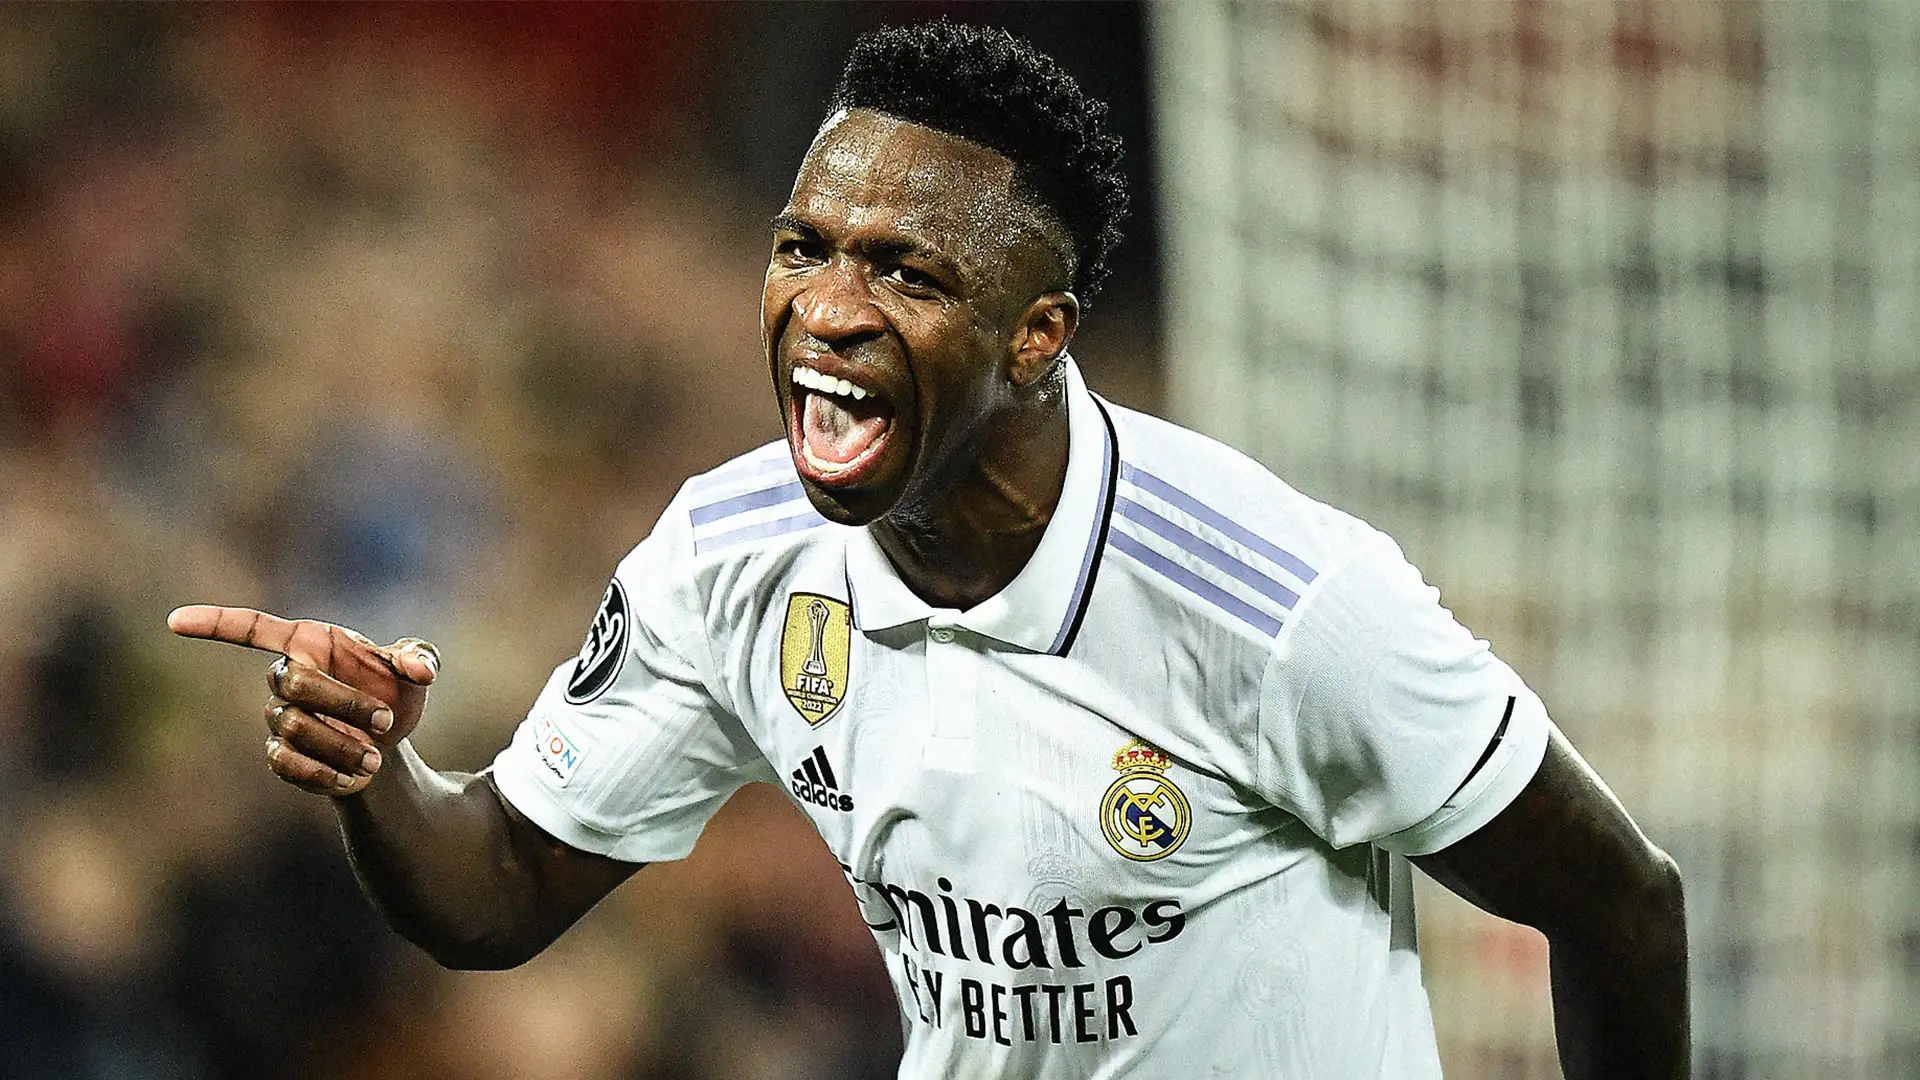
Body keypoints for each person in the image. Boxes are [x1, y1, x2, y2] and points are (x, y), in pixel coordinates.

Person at [169, 21, 1688, 1079]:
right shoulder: (728, 558)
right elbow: (496, 888)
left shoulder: (1271, 600)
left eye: (905, 271)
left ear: (1038, 335)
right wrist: (380, 774)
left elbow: (1620, 901)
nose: (826, 309)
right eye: (803, 247)